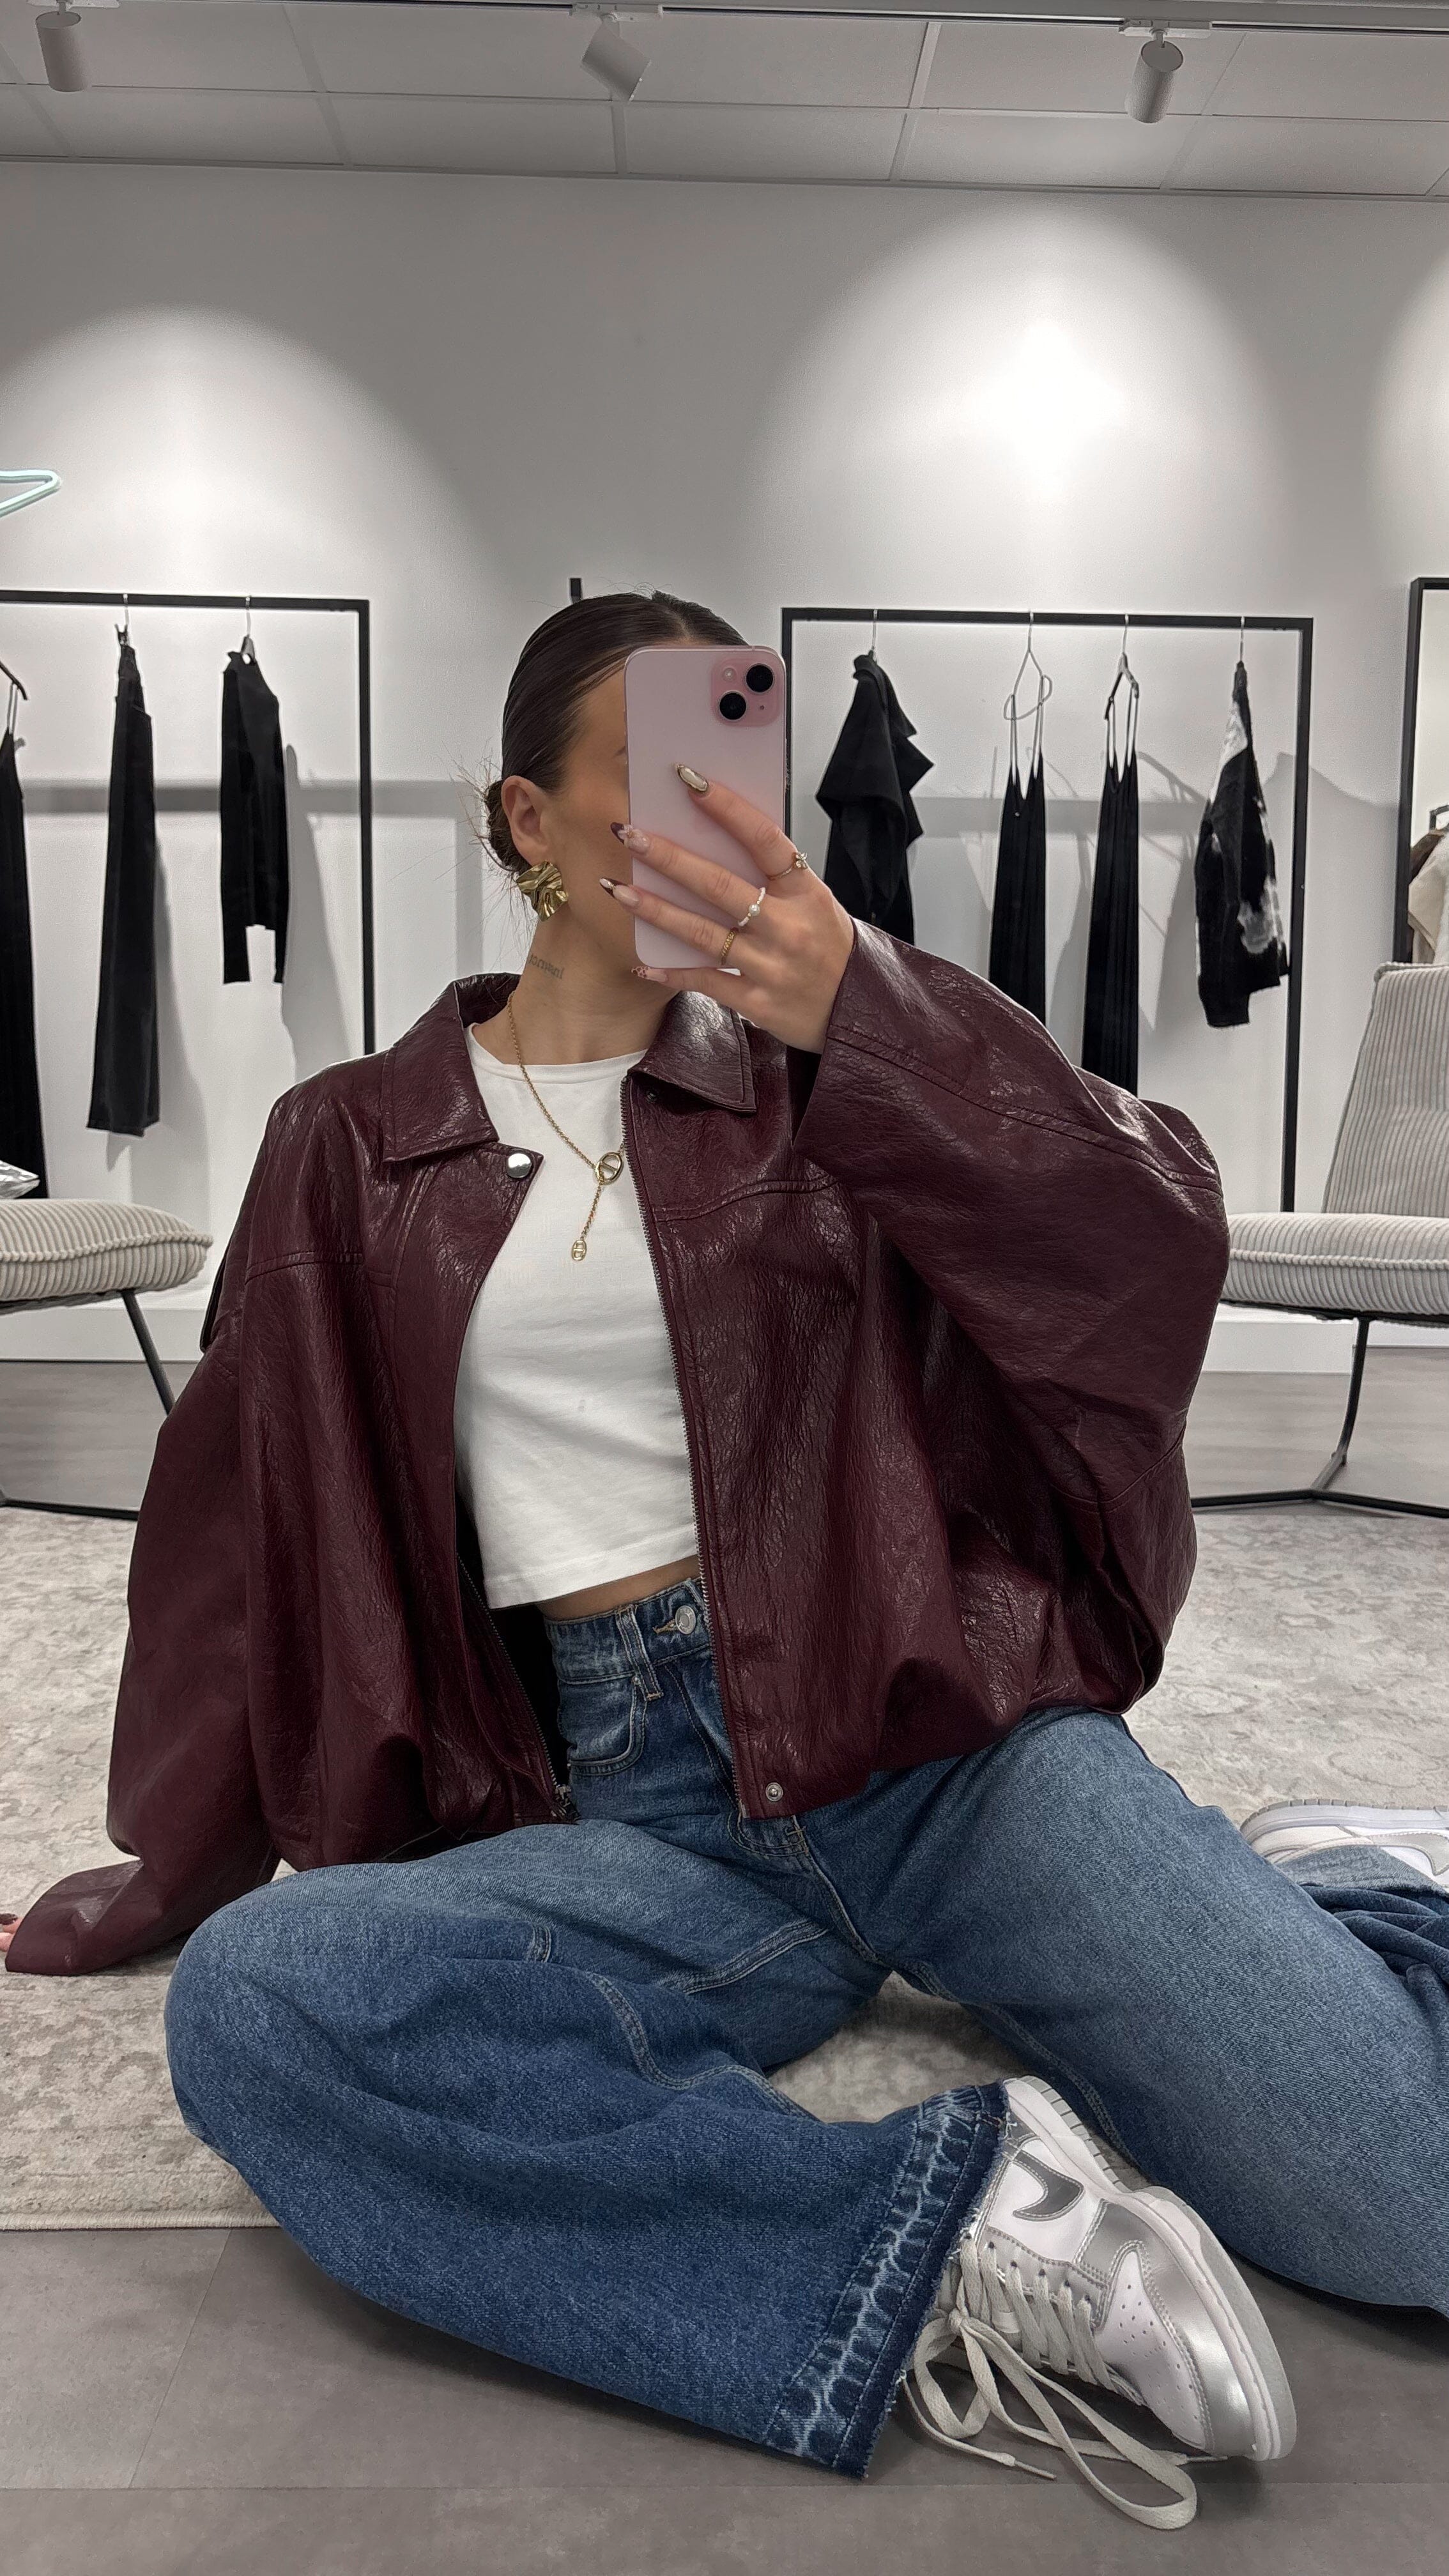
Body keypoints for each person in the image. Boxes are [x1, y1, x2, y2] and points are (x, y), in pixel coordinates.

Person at [6, 591, 1448, 2530]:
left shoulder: (840, 1070)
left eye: (738, 763)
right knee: (265, 2009)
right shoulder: (347, 1143)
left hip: (942, 1748)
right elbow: (232, 1553)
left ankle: (1335, 1892)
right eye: (656, 774)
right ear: (524, 818)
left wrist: (879, 1017)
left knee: (1407, 2209)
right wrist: (163, 1878)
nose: (717, 815)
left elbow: (1147, 1246)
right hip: (637, 1819)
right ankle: (952, 2237)